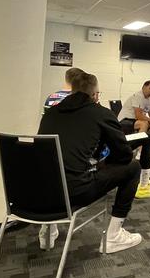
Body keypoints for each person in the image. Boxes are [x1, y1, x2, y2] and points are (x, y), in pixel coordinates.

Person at [38, 73, 143, 253]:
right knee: (133, 167)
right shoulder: (101, 113)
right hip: (74, 192)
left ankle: (47, 230)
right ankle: (114, 236)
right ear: (94, 95)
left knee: (57, 168)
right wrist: (102, 163)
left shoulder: (50, 113)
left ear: (72, 90)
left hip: (41, 193)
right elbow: (124, 155)